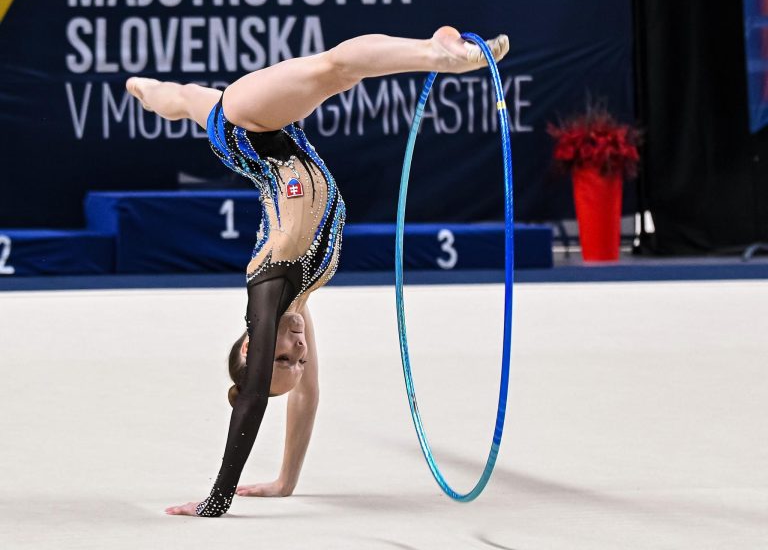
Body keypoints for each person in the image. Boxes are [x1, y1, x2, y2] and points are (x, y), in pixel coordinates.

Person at [125, 26, 510, 517]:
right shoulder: (300, 302)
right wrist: (285, 481)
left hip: (251, 127)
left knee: (335, 69)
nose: (300, 355)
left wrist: (218, 498)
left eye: (284, 359)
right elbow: (307, 397)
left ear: (253, 348)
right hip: (264, 137)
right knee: (180, 100)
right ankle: (142, 88)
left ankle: (437, 54)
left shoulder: (270, 285)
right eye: (297, 363)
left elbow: (253, 400)